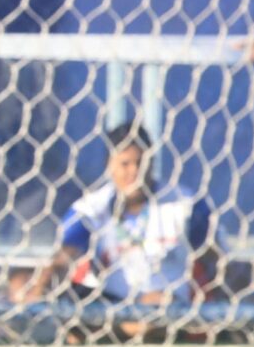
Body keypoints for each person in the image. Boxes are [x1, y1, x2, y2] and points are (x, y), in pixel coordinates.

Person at [24, 122, 220, 312]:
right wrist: (41, 289)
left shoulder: (185, 206)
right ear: (109, 165)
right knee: (21, 283)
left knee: (158, 305)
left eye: (141, 162)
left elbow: (218, 260)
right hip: (108, 307)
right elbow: (65, 257)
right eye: (125, 163)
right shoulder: (90, 209)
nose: (134, 171)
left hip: (166, 308)